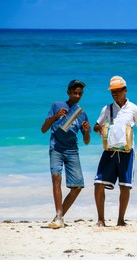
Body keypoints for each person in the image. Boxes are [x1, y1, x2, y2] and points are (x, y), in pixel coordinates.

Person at [93, 76, 137, 227]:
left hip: (126, 152)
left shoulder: (134, 109)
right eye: (112, 91)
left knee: (125, 186)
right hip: (109, 151)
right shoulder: (107, 109)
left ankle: (120, 220)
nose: (114, 94)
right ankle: (101, 220)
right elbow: (96, 126)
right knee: (98, 184)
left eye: (117, 91)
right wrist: (100, 128)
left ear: (125, 90)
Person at [41, 80, 91, 229]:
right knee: (56, 178)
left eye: (80, 94)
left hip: (72, 151)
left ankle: (59, 216)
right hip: (56, 148)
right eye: (74, 93)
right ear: (68, 92)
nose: (77, 96)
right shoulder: (57, 106)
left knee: (77, 187)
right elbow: (44, 129)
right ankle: (59, 217)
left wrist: (87, 131)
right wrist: (56, 116)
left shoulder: (81, 114)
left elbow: (86, 141)